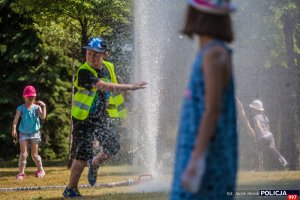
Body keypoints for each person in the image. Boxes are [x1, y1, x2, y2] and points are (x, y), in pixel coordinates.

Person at [63, 37, 146, 198]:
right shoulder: (84, 71)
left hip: (102, 117)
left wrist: (125, 93)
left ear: (105, 55)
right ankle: (70, 189)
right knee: (82, 154)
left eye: (96, 54)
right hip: (83, 119)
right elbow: (102, 85)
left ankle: (95, 163)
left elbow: (114, 81)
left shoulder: (108, 67)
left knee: (113, 146)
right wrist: (130, 86)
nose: (91, 57)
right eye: (89, 53)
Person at [171, 0, 237, 199]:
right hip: (196, 147)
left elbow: (213, 109)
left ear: (199, 15)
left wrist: (197, 160)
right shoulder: (208, 52)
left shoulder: (214, 54)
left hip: (207, 153)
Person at [11, 85, 47, 180]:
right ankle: (21, 173)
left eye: (32, 96)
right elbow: (15, 120)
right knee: (23, 154)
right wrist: (14, 129)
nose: (30, 98)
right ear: (24, 96)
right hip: (23, 133)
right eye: (28, 96)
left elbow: (43, 117)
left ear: (34, 97)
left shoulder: (37, 108)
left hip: (35, 133)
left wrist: (44, 106)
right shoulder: (20, 108)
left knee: (34, 155)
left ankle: (40, 170)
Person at [249, 99, 288, 169]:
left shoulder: (255, 117)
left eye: (252, 108)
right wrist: (267, 135)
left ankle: (254, 167)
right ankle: (283, 162)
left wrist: (261, 135)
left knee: (256, 151)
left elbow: (258, 126)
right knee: (273, 149)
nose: (251, 110)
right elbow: (268, 127)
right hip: (270, 135)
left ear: (255, 109)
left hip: (262, 137)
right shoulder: (265, 117)